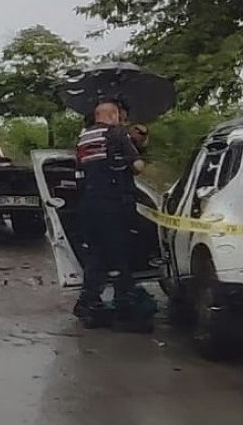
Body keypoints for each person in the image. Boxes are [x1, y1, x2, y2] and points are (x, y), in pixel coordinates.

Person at [72, 98, 151, 332]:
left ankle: (88, 302)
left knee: (95, 257)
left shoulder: (84, 137)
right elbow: (137, 166)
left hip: (88, 206)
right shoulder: (116, 135)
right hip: (113, 206)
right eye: (120, 115)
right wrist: (135, 148)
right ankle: (125, 310)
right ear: (114, 115)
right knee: (120, 256)